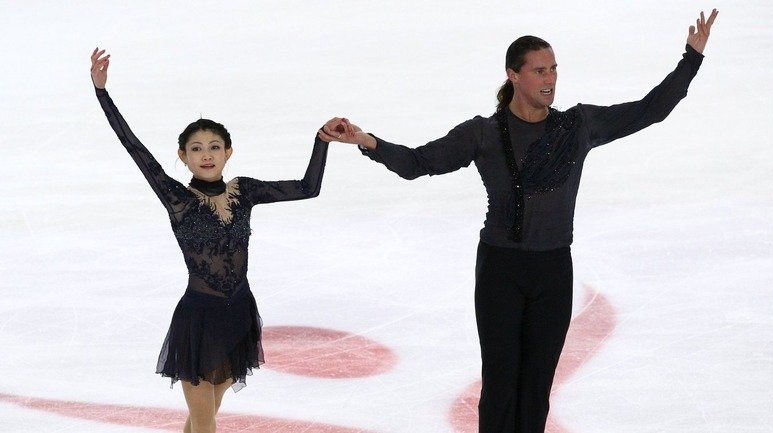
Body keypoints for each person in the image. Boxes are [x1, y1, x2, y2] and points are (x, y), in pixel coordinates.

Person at [318, 9, 718, 433]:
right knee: (500, 385)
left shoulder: (577, 126)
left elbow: (649, 110)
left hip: (553, 270)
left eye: (554, 69)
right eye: (539, 70)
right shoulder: (483, 133)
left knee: (536, 390)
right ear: (513, 75)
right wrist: (365, 140)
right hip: (501, 271)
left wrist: (691, 58)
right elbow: (419, 163)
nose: (550, 79)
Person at [90, 48, 330, 433]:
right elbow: (133, 147)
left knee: (203, 419)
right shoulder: (178, 199)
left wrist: (322, 140)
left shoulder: (244, 190)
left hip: (239, 316)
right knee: (205, 425)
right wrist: (102, 92)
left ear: (228, 152)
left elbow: (308, 187)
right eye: (196, 149)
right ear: (183, 156)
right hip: (198, 322)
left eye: (214, 147)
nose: (206, 155)